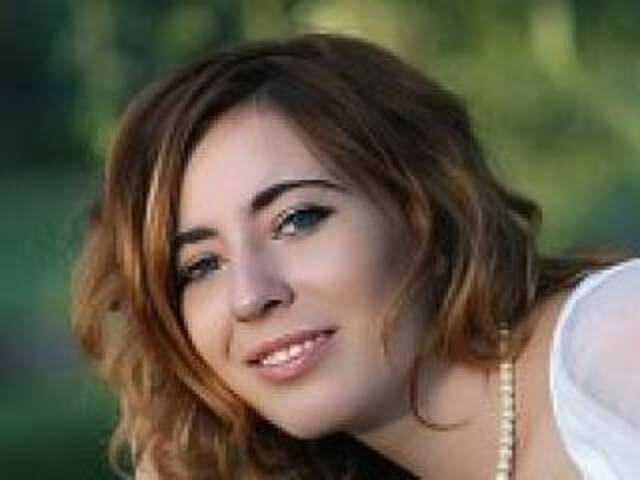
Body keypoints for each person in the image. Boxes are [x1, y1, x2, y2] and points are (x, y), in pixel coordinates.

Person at [72, 33, 640, 480]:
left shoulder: (615, 341)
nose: (250, 296)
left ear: (427, 209)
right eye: (200, 266)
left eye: (297, 220)